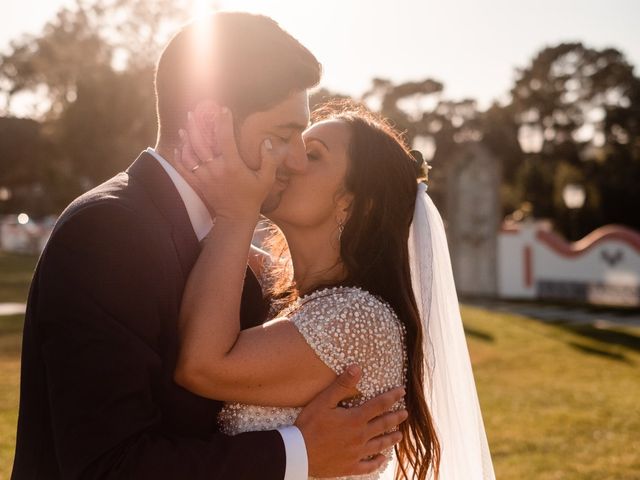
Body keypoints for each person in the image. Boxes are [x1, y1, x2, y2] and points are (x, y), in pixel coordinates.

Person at [11, 13, 406, 479]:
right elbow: (108, 466)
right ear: (207, 124)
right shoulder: (107, 232)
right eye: (281, 136)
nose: (295, 158)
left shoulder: (233, 254)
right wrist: (295, 454)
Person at [172, 101, 496, 479]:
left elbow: (201, 367)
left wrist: (236, 213)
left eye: (311, 154)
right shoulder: (308, 299)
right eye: (289, 143)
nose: (289, 159)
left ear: (352, 203)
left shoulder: (358, 319)